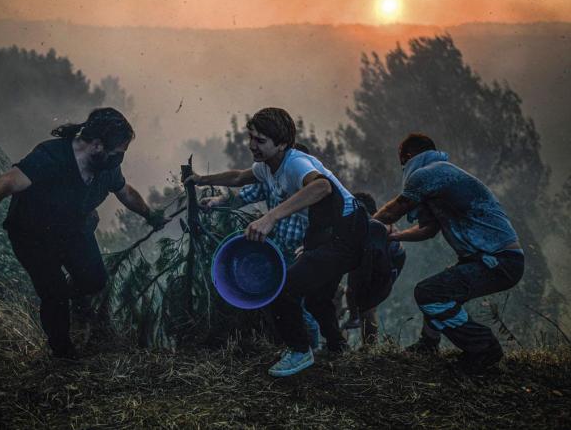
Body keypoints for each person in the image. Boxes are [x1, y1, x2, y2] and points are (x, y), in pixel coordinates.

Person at [0, 108, 169, 359]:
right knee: (55, 294)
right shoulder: (50, 157)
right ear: (96, 145)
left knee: (95, 279)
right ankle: (63, 353)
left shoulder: (107, 167)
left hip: (73, 231)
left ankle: (63, 302)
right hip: (32, 236)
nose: (119, 160)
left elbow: (125, 192)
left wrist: (150, 215)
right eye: (118, 154)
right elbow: (5, 183)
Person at [186, 107, 367, 377]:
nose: (252, 146)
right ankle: (337, 347)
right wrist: (202, 180)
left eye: (260, 141)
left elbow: (322, 187)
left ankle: (298, 351)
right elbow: (238, 177)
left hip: (346, 231)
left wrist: (270, 217)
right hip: (325, 233)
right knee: (318, 298)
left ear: (281, 143)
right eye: (251, 138)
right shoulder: (266, 167)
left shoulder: (295, 163)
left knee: (283, 288)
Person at [373, 133, 524, 373]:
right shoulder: (440, 175)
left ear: (408, 156)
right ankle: (429, 344)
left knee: (430, 293)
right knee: (440, 287)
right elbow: (429, 229)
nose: (403, 168)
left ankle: (483, 347)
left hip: (500, 260)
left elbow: (391, 213)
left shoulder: (429, 173)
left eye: (403, 161)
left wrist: (362, 227)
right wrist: (397, 236)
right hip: (491, 259)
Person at [203, 143, 321, 350]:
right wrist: (217, 201)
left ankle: (313, 349)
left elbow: (325, 223)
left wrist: (313, 248)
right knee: (276, 301)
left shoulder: (312, 188)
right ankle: (290, 346)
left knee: (298, 305)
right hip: (281, 250)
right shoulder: (272, 179)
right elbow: (241, 196)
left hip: (304, 253)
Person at [339, 192, 406, 345]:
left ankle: (370, 346)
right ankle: (353, 323)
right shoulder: (361, 225)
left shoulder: (376, 227)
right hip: (373, 258)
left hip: (388, 262)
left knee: (366, 304)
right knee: (352, 293)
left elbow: (371, 270)